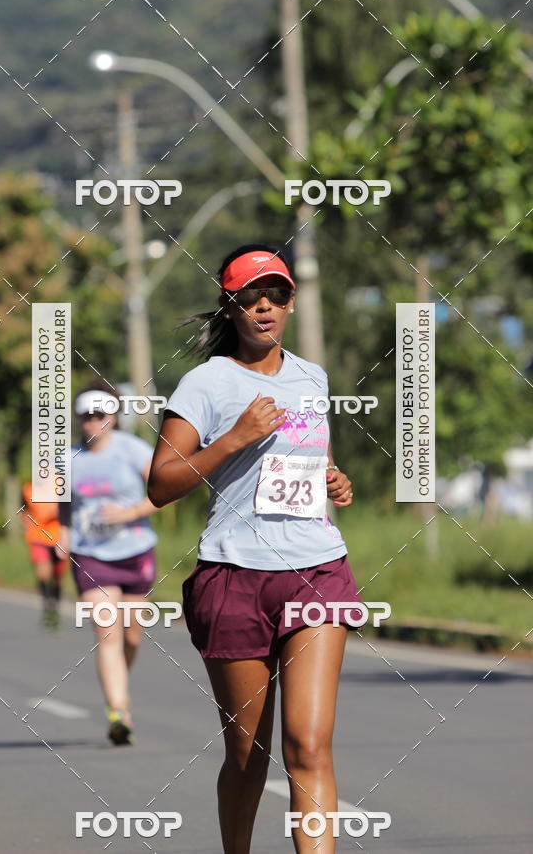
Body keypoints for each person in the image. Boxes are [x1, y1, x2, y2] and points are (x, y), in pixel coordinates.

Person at [148, 244, 362, 854]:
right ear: (231, 305)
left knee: (310, 747)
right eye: (251, 296)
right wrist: (234, 438)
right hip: (235, 576)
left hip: (316, 569)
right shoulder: (207, 383)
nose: (265, 305)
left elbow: (311, 458)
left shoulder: (312, 377)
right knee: (249, 756)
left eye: (277, 294)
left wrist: (334, 479)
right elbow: (160, 484)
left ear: (292, 302)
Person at [58, 379, 160, 745]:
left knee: (131, 635)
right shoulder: (67, 458)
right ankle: (118, 711)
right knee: (107, 633)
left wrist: (131, 512)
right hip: (91, 555)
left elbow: (165, 490)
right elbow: (63, 505)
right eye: (85, 416)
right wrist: (63, 533)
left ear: (114, 416)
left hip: (135, 551)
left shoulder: (134, 450)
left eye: (99, 415)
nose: (92, 421)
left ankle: (121, 683)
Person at [21, 482, 65, 630]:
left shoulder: (61, 486)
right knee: (44, 574)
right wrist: (27, 523)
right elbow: (24, 510)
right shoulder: (28, 489)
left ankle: (55, 606)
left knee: (57, 577)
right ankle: (47, 606)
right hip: (38, 538)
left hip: (59, 538)